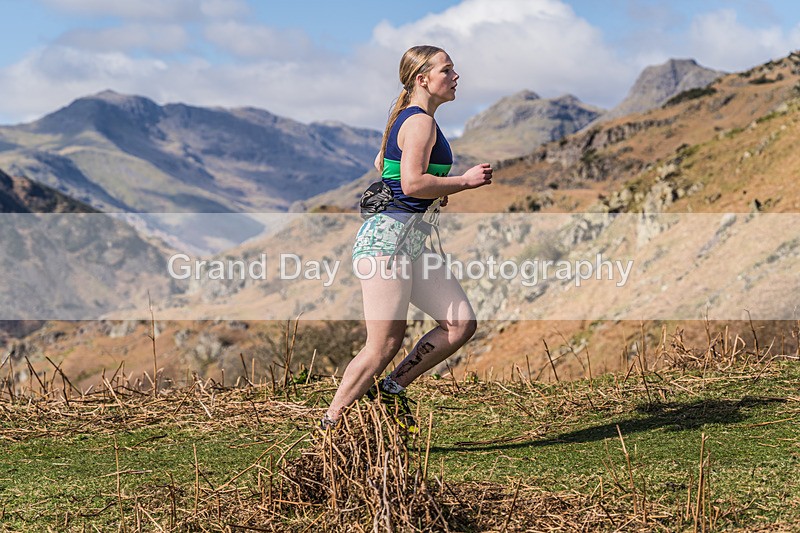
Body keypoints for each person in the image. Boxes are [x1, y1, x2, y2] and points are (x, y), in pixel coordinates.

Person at [321, 45, 493, 432]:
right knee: (383, 343)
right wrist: (463, 182)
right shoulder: (419, 122)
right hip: (387, 243)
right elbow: (412, 183)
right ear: (423, 79)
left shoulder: (411, 119)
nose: (455, 76)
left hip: (409, 243)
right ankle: (330, 426)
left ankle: (391, 389)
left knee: (460, 324)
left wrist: (438, 188)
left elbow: (387, 167)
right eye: (447, 70)